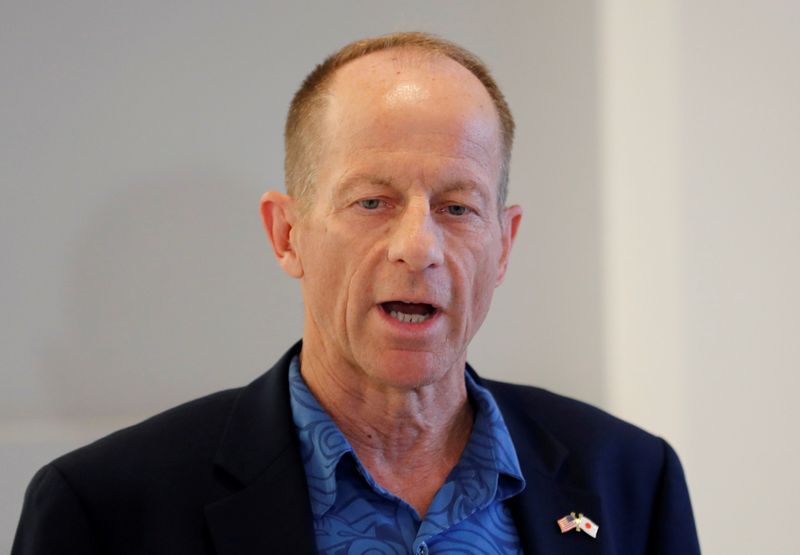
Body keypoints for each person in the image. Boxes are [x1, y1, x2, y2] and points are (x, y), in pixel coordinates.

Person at [13, 32, 700, 554]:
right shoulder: (107, 509)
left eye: (458, 208)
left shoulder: (633, 481)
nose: (419, 245)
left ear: (504, 245)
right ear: (287, 234)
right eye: (372, 201)